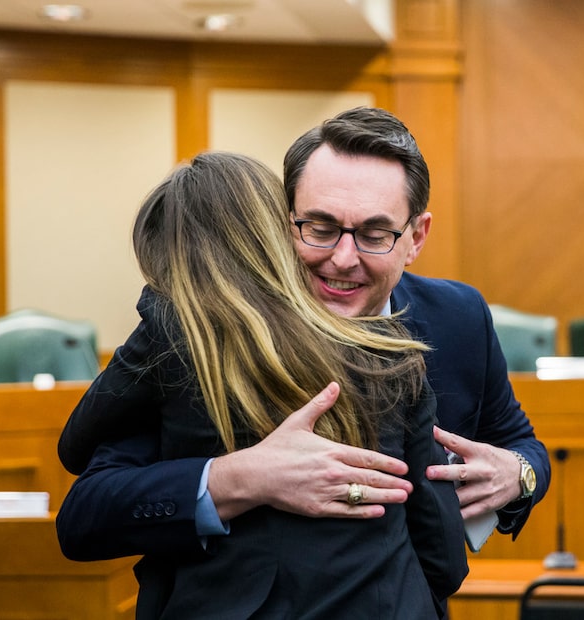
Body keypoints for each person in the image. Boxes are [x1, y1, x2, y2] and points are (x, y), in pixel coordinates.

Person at [58, 107, 549, 557]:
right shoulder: (208, 327)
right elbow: (87, 514)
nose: (342, 258)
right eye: (319, 227)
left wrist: (520, 474)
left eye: (375, 236)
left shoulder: (459, 315)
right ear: (283, 221)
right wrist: (238, 479)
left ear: (416, 237)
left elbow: (518, 442)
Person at [56, 151, 468, 619]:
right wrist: (241, 477)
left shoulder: (176, 339)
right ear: (283, 230)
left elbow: (76, 459)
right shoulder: (390, 352)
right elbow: (445, 557)